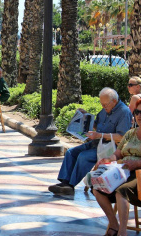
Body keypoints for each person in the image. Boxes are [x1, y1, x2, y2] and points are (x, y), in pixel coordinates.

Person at [48, 87, 132, 195]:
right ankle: (65, 182)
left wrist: (100, 135)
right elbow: (97, 125)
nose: (103, 106)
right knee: (71, 152)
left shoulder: (124, 112)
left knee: (84, 156)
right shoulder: (105, 110)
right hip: (96, 143)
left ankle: (70, 185)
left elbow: (122, 136)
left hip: (109, 148)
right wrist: (85, 116)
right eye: (102, 104)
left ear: (114, 101)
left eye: (105, 105)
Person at [93, 98, 141, 236]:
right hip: (122, 171)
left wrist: (137, 164)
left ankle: (122, 232)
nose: (139, 115)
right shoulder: (130, 134)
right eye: (137, 112)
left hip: (138, 175)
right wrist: (108, 160)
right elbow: (118, 153)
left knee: (122, 191)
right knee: (97, 188)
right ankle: (114, 225)